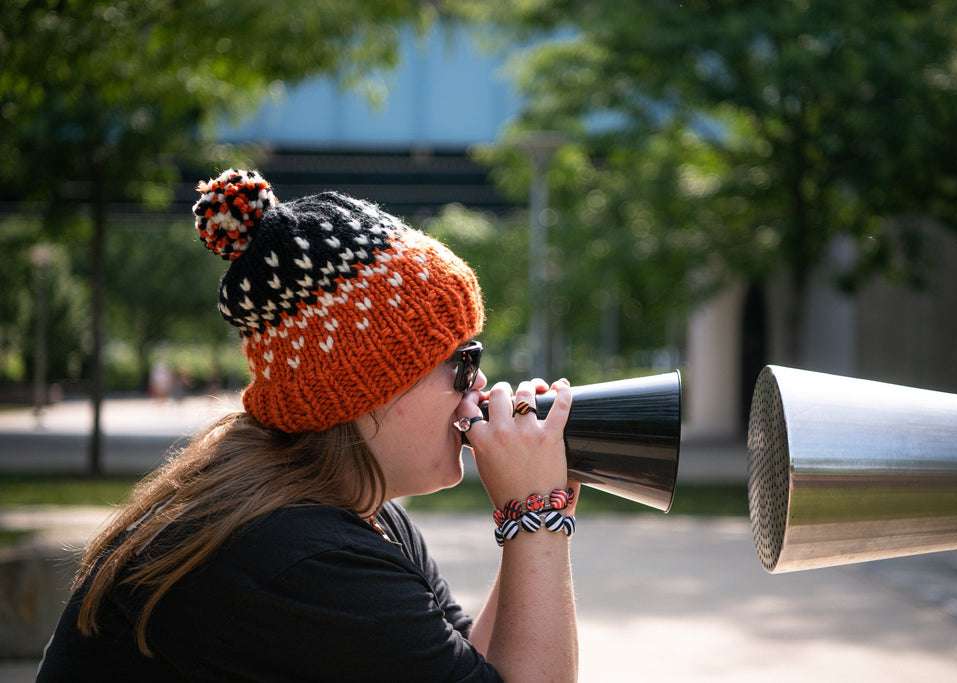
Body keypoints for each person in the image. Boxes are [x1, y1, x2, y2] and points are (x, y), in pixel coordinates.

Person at [37, 169, 579, 682]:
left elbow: (471, 665)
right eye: (463, 363)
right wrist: (535, 517)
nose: (481, 389)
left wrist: (534, 516)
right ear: (367, 386)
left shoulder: (355, 512)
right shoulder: (298, 556)